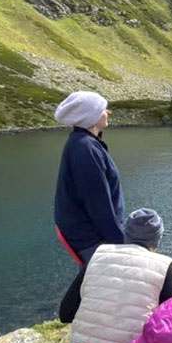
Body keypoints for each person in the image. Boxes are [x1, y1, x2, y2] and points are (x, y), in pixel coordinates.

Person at [68, 209, 172, 343]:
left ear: (126, 234)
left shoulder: (98, 254)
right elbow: (169, 326)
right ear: (157, 238)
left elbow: (66, 313)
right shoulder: (163, 265)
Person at [53, 91, 124, 263]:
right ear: (90, 116)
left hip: (92, 236)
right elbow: (98, 205)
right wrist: (122, 244)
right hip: (94, 240)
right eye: (102, 109)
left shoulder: (83, 143)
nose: (107, 113)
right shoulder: (85, 149)